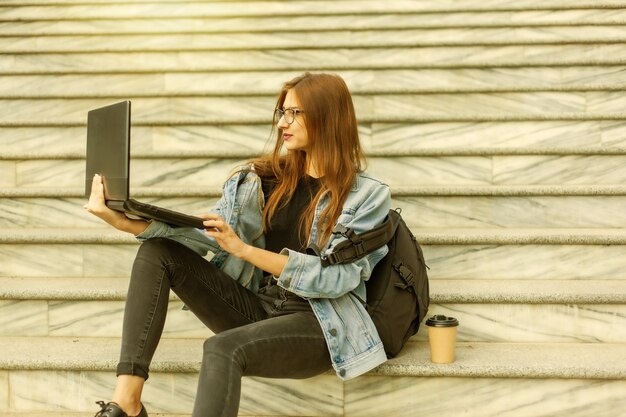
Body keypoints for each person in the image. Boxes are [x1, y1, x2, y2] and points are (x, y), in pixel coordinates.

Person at [85, 72, 391, 417]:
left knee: (222, 348)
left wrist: (244, 250)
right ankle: (126, 402)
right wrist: (127, 222)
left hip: (319, 321)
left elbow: (338, 279)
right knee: (158, 252)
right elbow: (210, 238)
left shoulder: (366, 195)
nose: (282, 124)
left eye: (294, 113)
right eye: (282, 112)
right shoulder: (259, 180)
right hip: (259, 307)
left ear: (327, 116)